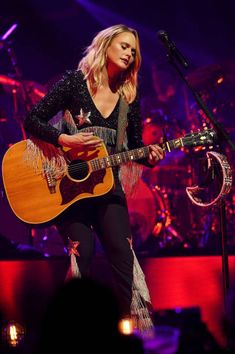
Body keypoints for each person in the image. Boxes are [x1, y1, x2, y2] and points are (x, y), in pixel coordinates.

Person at [23, 24, 165, 332]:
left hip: (107, 187)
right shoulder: (75, 83)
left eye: (134, 50)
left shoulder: (129, 97)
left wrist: (150, 155)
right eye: (125, 46)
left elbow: (136, 148)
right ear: (106, 45)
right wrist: (65, 140)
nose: (130, 53)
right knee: (82, 252)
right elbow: (31, 119)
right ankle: (73, 333)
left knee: (123, 255)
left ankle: (137, 335)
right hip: (69, 189)